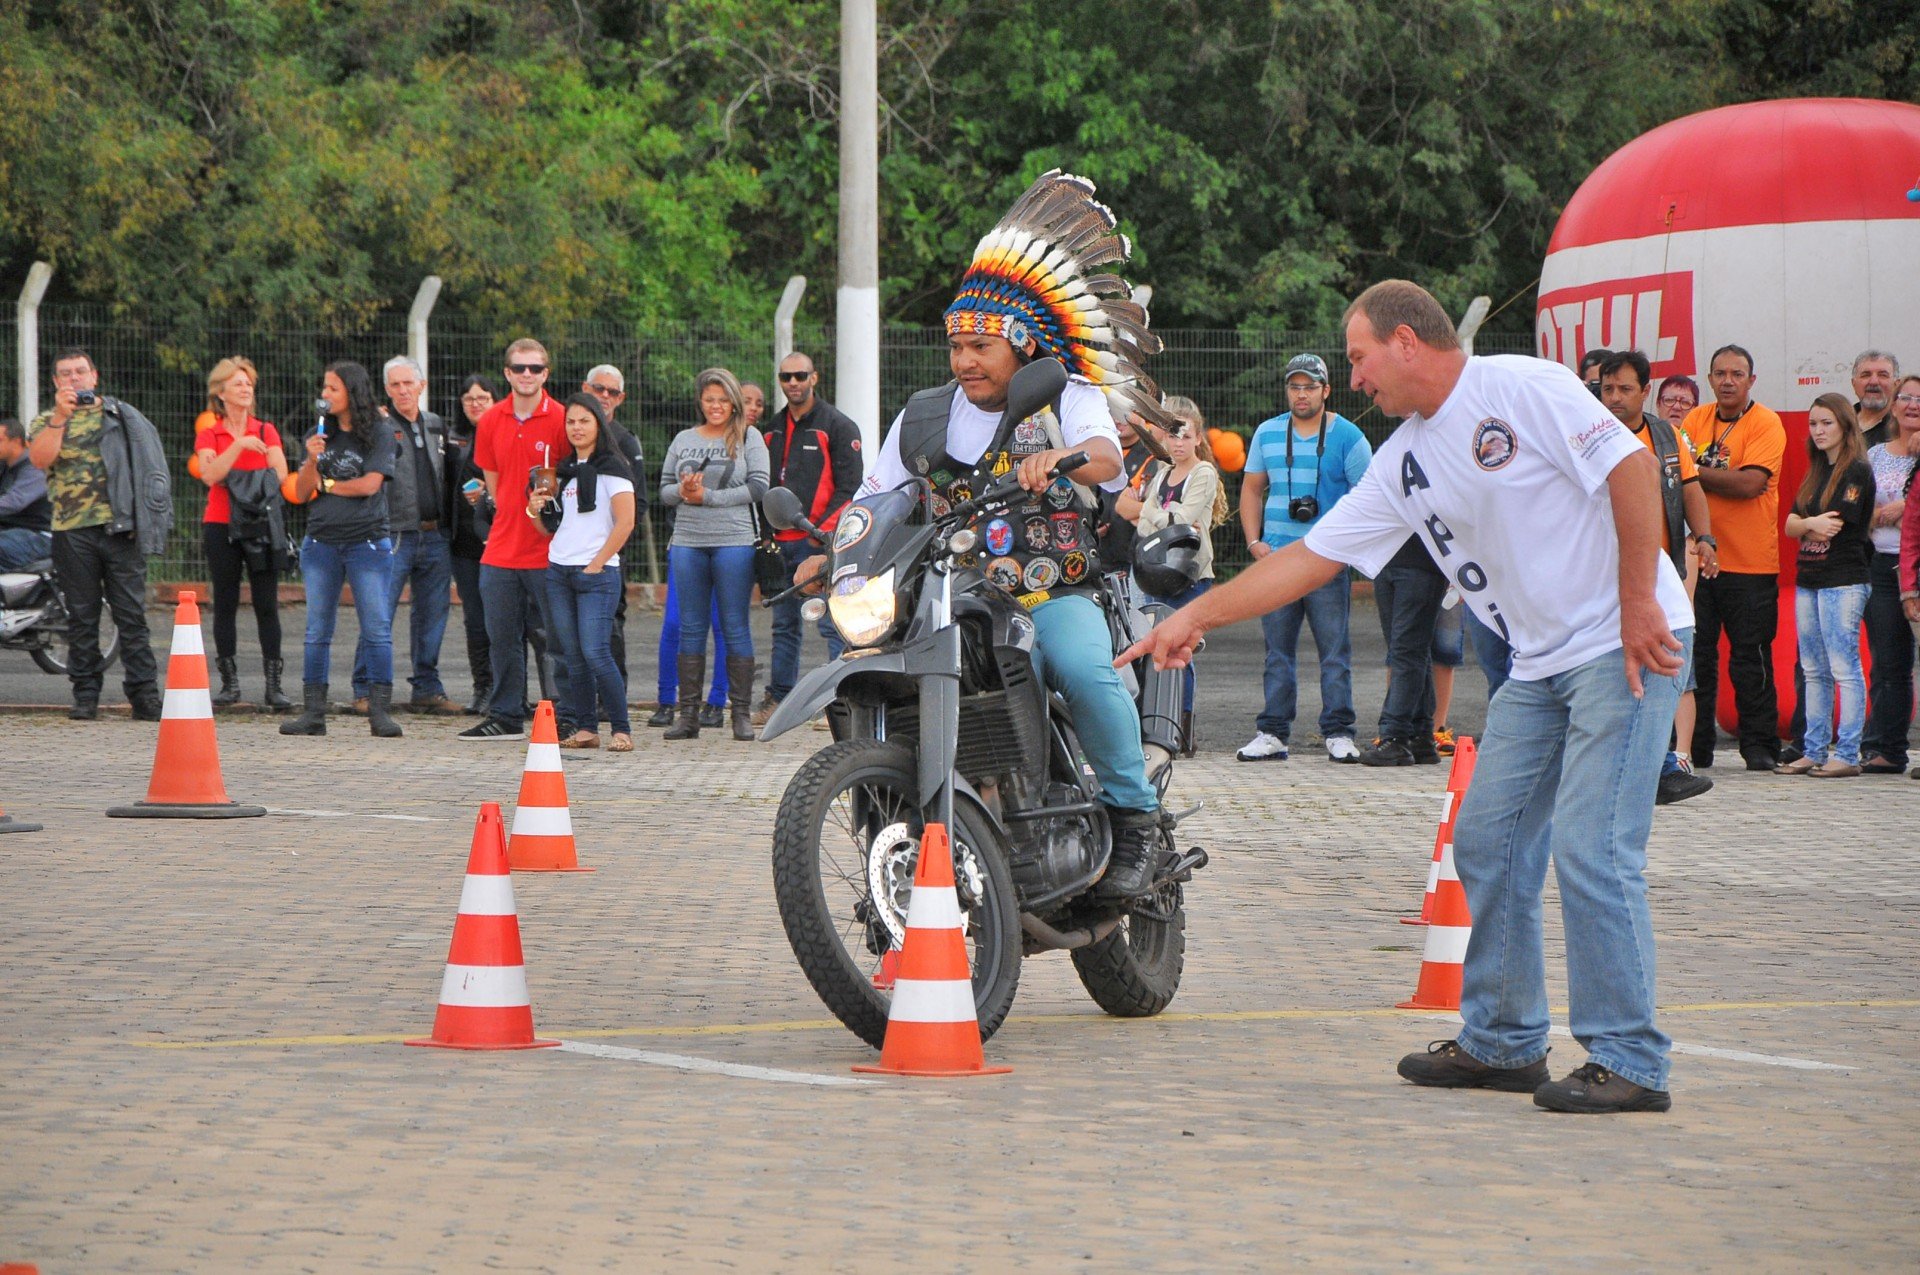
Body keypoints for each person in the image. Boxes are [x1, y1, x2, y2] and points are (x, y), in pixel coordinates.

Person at [1124, 280, 1694, 1113]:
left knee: (1591, 847)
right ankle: (1505, 1044)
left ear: (1405, 341)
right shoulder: (1404, 459)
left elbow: (1633, 468)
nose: (1354, 379)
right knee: (1487, 841)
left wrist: (1641, 598)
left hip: (1625, 644)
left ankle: (1632, 1059)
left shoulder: (1523, 387)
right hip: (1539, 667)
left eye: (1357, 358)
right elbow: (1310, 557)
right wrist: (1195, 615)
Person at [822, 168, 1172, 898]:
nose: (965, 360)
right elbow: (877, 492)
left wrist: (1061, 458)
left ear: (1020, 343)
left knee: (1078, 667)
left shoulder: (1066, 395)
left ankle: (1135, 817)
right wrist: (829, 548)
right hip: (957, 598)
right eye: (956, 345)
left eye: (981, 345)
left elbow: (1107, 459)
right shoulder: (922, 414)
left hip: (1053, 591)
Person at [1237, 352, 1373, 762]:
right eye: (1294, 386)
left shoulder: (1349, 436)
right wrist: (1253, 542)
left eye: (1309, 386)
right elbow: (1250, 489)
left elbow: (1368, 496)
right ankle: (1273, 732)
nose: (1301, 394)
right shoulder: (1267, 432)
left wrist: (1346, 546)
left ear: (1326, 391)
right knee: (1277, 651)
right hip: (1277, 557)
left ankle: (1339, 731)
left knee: (1334, 651)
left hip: (1325, 559)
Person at [26, 347, 171, 721]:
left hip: (120, 527)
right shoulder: (45, 421)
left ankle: (145, 697)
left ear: (95, 376)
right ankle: (86, 696)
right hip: (72, 531)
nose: (74, 379)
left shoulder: (121, 416)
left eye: (80, 372)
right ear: (56, 382)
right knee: (82, 616)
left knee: (131, 615)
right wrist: (60, 416)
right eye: (66, 374)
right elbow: (40, 460)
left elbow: (149, 463)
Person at [1598, 350, 1718, 805]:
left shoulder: (1666, 435)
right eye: (1607, 389)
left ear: (1645, 391)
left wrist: (1705, 537)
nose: (1614, 398)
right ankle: (1644, 765)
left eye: (1624, 389)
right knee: (1621, 670)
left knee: (1667, 664)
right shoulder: (1591, 435)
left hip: (1662, 569)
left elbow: (1690, 488)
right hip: (1607, 573)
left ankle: (1660, 762)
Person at [279, 361, 402, 738]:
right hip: (321, 543)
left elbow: (369, 485)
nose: (325, 395)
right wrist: (312, 460)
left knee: (377, 628)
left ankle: (379, 710)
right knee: (317, 630)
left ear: (352, 391)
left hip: (367, 543)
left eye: (332, 388)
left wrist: (327, 485)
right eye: (323, 388)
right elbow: (301, 493)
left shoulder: (380, 433)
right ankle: (313, 712)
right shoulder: (318, 434)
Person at [1681, 344, 1785, 771]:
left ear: (1751, 381)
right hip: (1697, 560)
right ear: (1708, 380)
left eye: (1737, 374)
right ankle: (1697, 748)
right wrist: (1696, 476)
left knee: (1750, 657)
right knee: (1697, 656)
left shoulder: (1766, 423)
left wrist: (1693, 474)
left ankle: (1759, 746)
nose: (1727, 381)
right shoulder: (1695, 419)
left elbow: (1748, 485)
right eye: (1720, 373)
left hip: (1750, 562)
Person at [460, 339, 569, 742]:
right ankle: (505, 715)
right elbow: (495, 484)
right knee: (501, 635)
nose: (527, 375)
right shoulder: (490, 420)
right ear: (507, 372)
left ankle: (565, 715)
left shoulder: (561, 418)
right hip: (502, 547)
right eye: (519, 368)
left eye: (535, 369)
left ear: (546, 373)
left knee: (556, 638)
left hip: (547, 548)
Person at [659, 367, 769, 741]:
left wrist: (710, 497)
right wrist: (683, 491)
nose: (716, 406)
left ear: (734, 401)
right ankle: (687, 716)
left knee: (734, 624)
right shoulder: (683, 438)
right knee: (690, 626)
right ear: (700, 401)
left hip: (734, 541)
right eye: (709, 399)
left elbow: (759, 487)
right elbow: (663, 490)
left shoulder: (749, 437)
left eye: (723, 399)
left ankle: (739, 713)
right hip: (688, 541)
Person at [758, 351, 862, 723]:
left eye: (800, 376)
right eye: (786, 377)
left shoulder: (838, 425)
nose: (793, 383)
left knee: (832, 621)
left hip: (818, 543)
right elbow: (764, 487)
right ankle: (780, 698)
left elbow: (851, 487)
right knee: (783, 625)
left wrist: (822, 536)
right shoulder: (770, 428)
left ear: (814, 378)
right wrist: (767, 534)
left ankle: (842, 697)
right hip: (778, 543)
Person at [352, 356, 459, 717]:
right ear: (386, 390)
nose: (402, 391)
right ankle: (365, 688)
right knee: (377, 612)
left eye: (408, 383)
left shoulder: (435, 425)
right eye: (395, 385)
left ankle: (427, 688)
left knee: (432, 616)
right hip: (393, 534)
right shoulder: (377, 427)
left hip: (435, 535)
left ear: (421, 385)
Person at [530, 393, 637, 751]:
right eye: (571, 422)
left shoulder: (614, 468)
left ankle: (621, 729)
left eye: (584, 421)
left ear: (598, 425)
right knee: (572, 655)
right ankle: (586, 728)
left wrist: (597, 562)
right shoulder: (561, 471)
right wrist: (534, 509)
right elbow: (550, 527)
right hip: (559, 570)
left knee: (596, 652)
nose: (576, 428)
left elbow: (626, 522)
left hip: (597, 573)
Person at [1120, 394, 1224, 751]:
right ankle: (1157, 726)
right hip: (1157, 573)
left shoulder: (1204, 473)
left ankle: (1183, 728)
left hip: (1190, 574)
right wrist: (1163, 516)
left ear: (1198, 438)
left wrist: (1156, 516)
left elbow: (1176, 517)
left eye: (1185, 435)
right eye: (1172, 435)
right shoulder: (1162, 473)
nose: (1178, 443)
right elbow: (1152, 518)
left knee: (1182, 649)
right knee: (1156, 650)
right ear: (1163, 437)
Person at [1777, 396, 1874, 777]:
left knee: (1843, 667)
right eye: (1814, 424)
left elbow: (1835, 522)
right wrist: (1806, 523)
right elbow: (1790, 525)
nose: (1818, 431)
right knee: (1813, 668)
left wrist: (1806, 522)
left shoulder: (1857, 472)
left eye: (1826, 423)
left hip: (1844, 581)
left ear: (1845, 427)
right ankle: (1814, 750)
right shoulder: (1816, 471)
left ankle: (1847, 754)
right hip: (1810, 579)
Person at [193, 357, 291, 710]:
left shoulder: (266, 430)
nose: (246, 389)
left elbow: (280, 473)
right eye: (237, 383)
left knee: (267, 604)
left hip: (260, 524)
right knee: (226, 602)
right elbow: (209, 475)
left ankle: (274, 686)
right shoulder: (210, 433)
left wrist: (250, 449)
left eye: (249, 383)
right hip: (221, 523)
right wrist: (237, 446)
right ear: (220, 392)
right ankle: (229, 684)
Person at [1860, 375, 1920, 774]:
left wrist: (1902, 506)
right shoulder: (1876, 454)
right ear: (1894, 405)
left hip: (1916, 561)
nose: (1912, 404)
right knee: (1888, 660)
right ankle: (1886, 748)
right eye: (1906, 397)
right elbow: (1856, 501)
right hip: (1883, 562)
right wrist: (1875, 516)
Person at [581, 364, 648, 699]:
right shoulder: (571, 436)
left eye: (612, 392)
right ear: (585, 389)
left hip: (611, 552)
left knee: (610, 626)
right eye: (598, 389)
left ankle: (613, 698)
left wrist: (613, 542)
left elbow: (641, 502)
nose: (604, 397)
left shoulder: (625, 441)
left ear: (620, 398)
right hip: (571, 551)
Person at [1365, 535, 1447, 766]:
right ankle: (1419, 736)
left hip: (1422, 564)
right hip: (1387, 559)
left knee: (1406, 652)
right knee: (1409, 651)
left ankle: (1395, 736)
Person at [446, 375, 498, 714]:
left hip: (502, 540)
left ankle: (512, 691)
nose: (475, 404)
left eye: (482, 397)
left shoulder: (503, 433)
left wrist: (490, 493)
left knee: (509, 620)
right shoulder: (452, 439)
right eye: (468, 398)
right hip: (463, 544)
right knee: (475, 619)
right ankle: (483, 688)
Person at [0, 419, 53, 570]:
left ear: (16, 441)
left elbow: (14, 502)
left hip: (39, 535)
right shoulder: (5, 465)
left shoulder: (34, 468)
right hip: (12, 531)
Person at [1852, 350, 1899, 448]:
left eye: (1883, 375)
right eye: (1866, 375)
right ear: (1854, 384)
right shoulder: (1839, 421)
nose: (1873, 382)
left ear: (1896, 385)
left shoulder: (1905, 428)